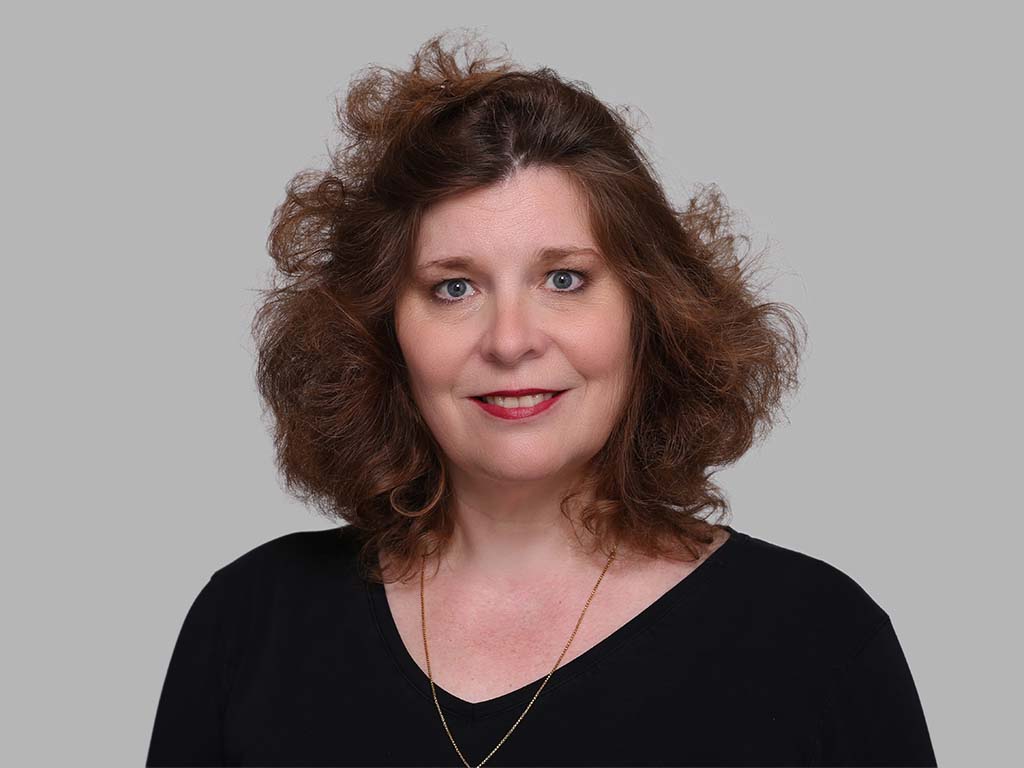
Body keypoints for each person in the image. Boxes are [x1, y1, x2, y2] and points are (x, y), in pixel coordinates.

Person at [146, 31, 937, 767]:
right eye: (454, 287)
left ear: (648, 310)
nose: (510, 341)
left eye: (564, 279)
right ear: (383, 331)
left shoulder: (818, 641)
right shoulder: (249, 623)